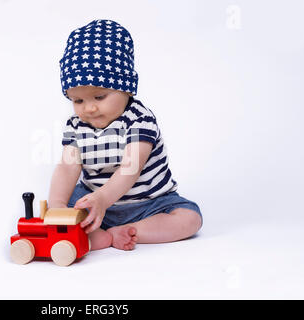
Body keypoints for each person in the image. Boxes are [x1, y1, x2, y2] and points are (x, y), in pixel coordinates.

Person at [48, 19, 202, 251]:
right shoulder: (76, 125)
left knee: (190, 218)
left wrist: (102, 198)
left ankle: (133, 230)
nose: (89, 108)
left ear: (127, 88)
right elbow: (68, 167)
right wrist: (58, 206)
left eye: (99, 97)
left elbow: (131, 168)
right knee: (70, 201)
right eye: (78, 100)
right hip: (94, 204)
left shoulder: (139, 119)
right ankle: (93, 233)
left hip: (149, 203)